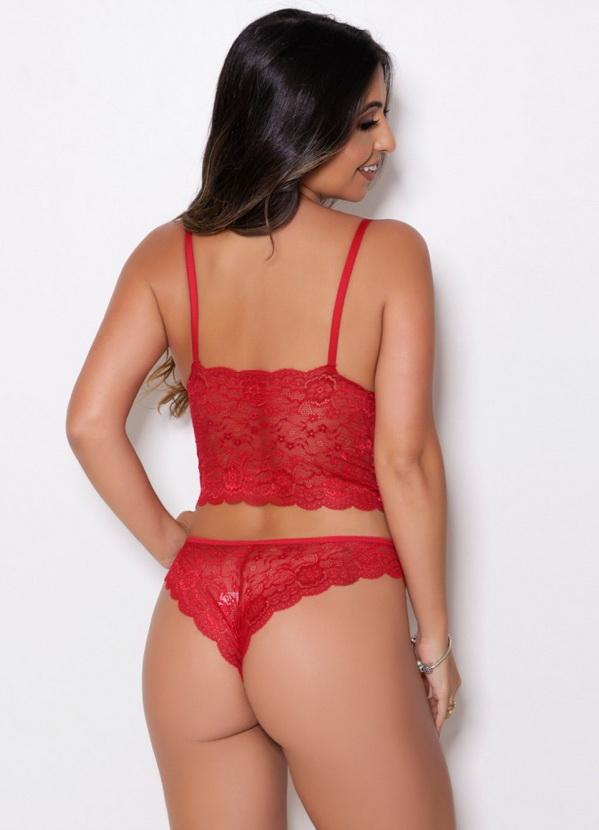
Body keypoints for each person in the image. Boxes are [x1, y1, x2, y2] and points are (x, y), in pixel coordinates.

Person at [66, 8, 461, 829]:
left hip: (194, 619)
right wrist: (433, 640)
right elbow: (405, 462)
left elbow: (89, 423)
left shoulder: (165, 252)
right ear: (301, 118)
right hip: (332, 609)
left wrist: (174, 549)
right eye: (366, 120)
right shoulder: (389, 253)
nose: (386, 144)